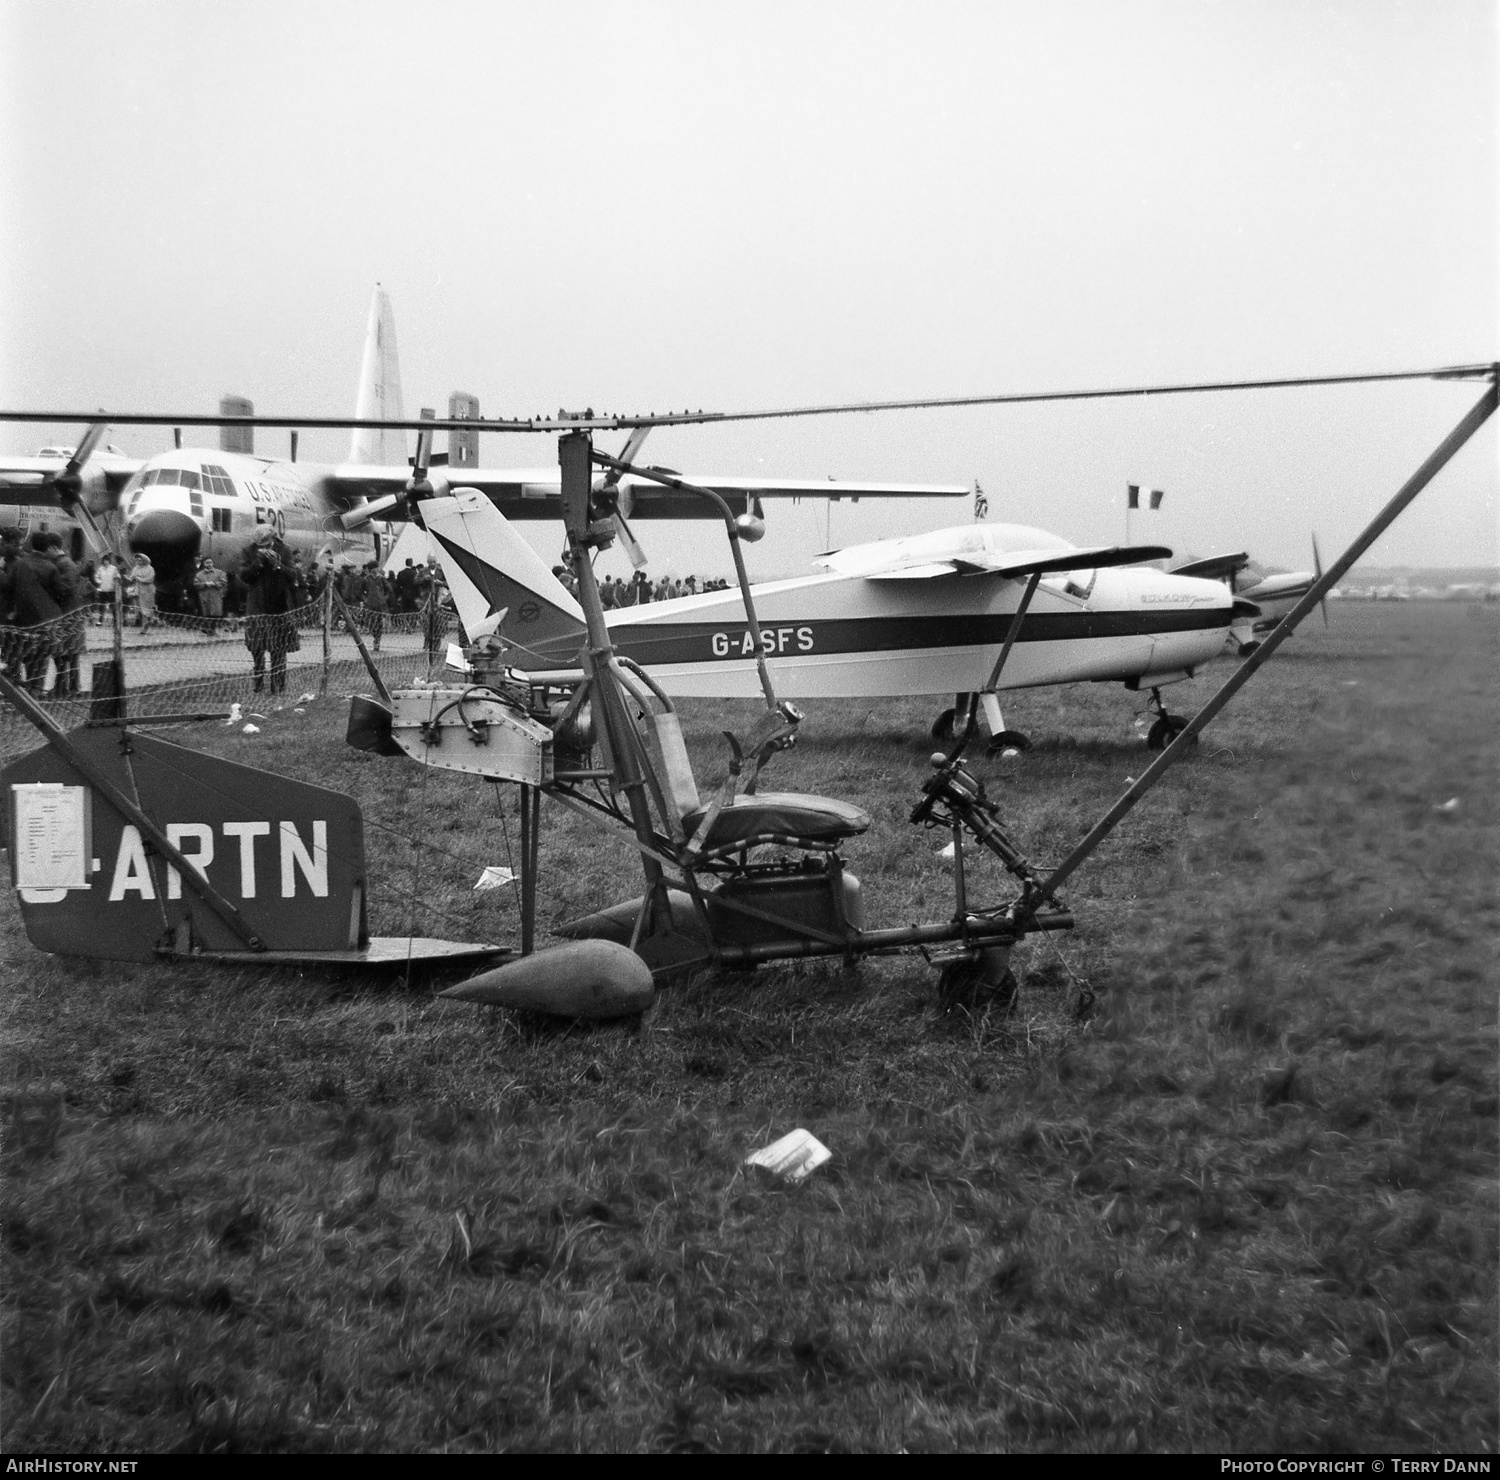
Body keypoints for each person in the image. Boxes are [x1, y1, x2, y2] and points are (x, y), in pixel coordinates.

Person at [0, 533, 69, 692]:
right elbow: (60, 591)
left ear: (31, 545)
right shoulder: (51, 566)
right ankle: (35, 691)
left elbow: (7, 585)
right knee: (40, 657)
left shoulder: (20, 564)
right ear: (46, 548)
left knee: (23, 655)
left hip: (25, 619)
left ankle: (17, 693)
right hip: (48, 619)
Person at [240, 526, 298, 695]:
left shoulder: (284, 550)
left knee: (278, 650)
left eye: (266, 545)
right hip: (257, 607)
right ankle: (258, 685)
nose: (263, 548)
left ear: (273, 539)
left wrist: (277, 565)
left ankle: (277, 686)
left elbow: (293, 575)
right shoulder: (249, 551)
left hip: (278, 606)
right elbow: (243, 576)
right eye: (260, 546)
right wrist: (258, 563)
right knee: (257, 649)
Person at [47, 534, 90, 696]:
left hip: (68, 616)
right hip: (69, 615)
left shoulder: (65, 564)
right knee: (66, 653)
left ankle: (70, 687)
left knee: (68, 653)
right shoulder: (63, 563)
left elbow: (66, 588)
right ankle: (66, 686)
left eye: (47, 550)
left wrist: (49, 590)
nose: (46, 554)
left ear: (53, 548)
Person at [362, 562, 388, 652]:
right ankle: (374, 635)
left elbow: (389, 590)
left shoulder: (381, 579)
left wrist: (384, 598)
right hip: (370, 605)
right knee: (369, 623)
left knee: (379, 623)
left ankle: (377, 640)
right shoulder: (365, 579)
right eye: (374, 568)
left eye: (376, 567)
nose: (376, 569)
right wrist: (365, 599)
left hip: (379, 604)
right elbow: (361, 592)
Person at [194, 556, 227, 623]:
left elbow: (224, 582)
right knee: (205, 613)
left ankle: (212, 629)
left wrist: (214, 584)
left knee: (216, 614)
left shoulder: (220, 572)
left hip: (216, 597)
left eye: (210, 562)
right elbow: (196, 584)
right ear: (203, 563)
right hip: (204, 597)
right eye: (207, 562)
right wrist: (205, 584)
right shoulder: (199, 575)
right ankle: (207, 629)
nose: (209, 564)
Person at [130, 552, 158, 630]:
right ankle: (145, 624)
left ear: (144, 560)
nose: (138, 562)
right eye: (137, 560)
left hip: (148, 590)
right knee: (141, 608)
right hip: (139, 589)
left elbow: (150, 579)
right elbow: (132, 577)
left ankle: (152, 620)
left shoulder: (150, 568)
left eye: (140, 560)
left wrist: (140, 579)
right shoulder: (136, 568)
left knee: (148, 606)